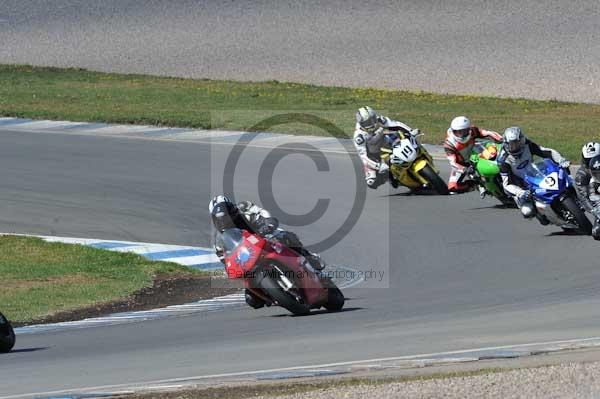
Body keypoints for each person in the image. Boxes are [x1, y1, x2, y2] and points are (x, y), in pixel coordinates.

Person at [209, 195, 324, 308]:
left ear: (233, 210)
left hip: (264, 238)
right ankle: (276, 296)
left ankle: (309, 257)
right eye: (220, 219)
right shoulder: (218, 242)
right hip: (248, 258)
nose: (225, 221)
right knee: (252, 300)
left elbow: (265, 215)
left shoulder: (245, 208)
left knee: (284, 237)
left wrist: (267, 225)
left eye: (227, 216)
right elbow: (226, 261)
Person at [498, 127, 571, 224]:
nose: (516, 146)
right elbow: (506, 184)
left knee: (565, 179)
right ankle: (541, 215)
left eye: (518, 142)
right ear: (506, 144)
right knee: (528, 211)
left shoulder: (527, 145)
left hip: (534, 173)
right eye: (513, 144)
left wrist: (561, 160)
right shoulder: (503, 160)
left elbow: (546, 152)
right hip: (520, 185)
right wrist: (520, 192)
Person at [353, 106, 420, 189]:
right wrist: (378, 165)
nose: (371, 123)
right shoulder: (359, 137)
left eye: (372, 119)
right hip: (373, 156)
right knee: (371, 182)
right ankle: (395, 180)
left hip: (386, 141)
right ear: (361, 123)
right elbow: (364, 157)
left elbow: (396, 124)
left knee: (406, 136)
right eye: (367, 122)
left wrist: (410, 130)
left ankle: (415, 153)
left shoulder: (380, 120)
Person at [444, 116, 502, 193]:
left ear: (468, 129)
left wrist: (500, 139)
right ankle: (477, 185)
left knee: (497, 155)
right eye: (457, 132)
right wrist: (465, 169)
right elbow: (453, 163)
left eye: (464, 131)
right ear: (453, 131)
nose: (461, 135)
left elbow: (487, 133)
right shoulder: (449, 144)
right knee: (453, 187)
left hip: (477, 152)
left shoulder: (472, 130)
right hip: (463, 164)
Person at [575, 142, 600, 239]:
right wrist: (595, 211)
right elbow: (584, 198)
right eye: (588, 160)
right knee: (596, 232)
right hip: (597, 203)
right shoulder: (581, 176)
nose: (593, 163)